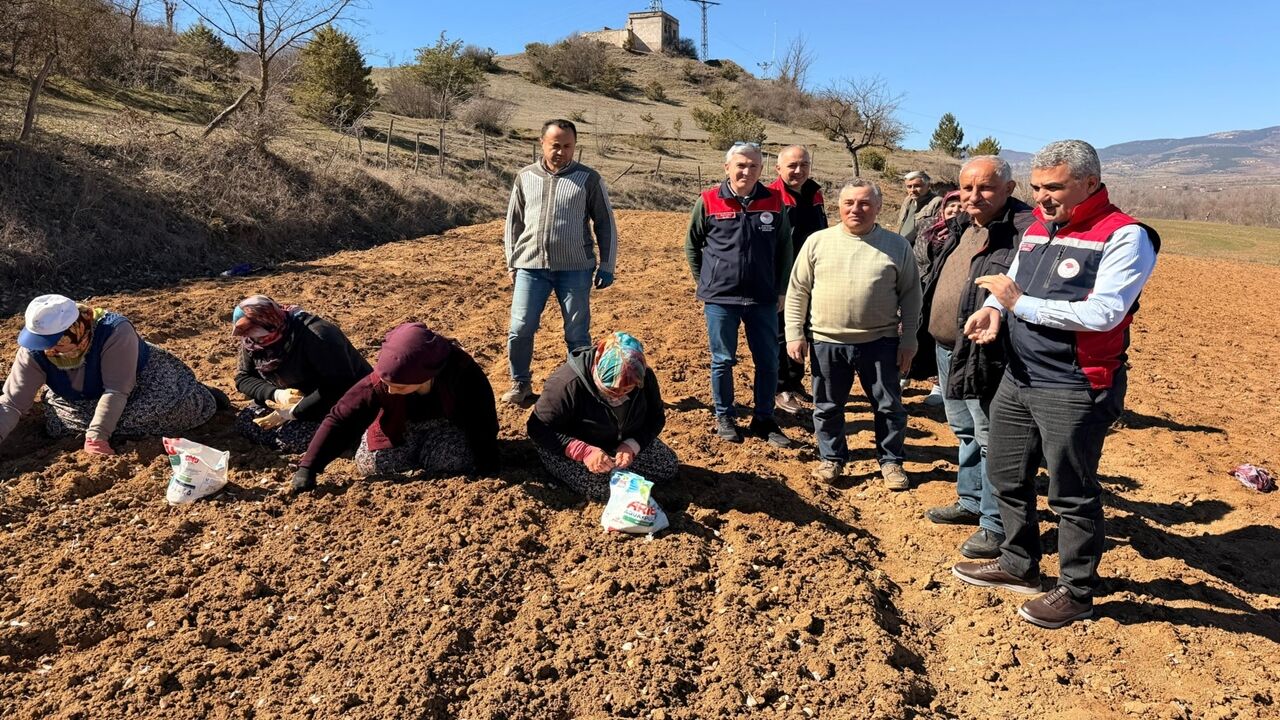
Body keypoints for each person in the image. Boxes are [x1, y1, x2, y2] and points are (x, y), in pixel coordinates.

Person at [951, 140, 1160, 629]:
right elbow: (1014, 286)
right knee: (1006, 475)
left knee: (1071, 493)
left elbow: (1105, 313)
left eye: (1055, 187)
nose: (1042, 198)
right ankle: (1018, 564)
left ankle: (1076, 590)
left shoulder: (1125, 236)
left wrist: (1018, 304)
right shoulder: (1041, 229)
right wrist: (994, 311)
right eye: (1038, 187)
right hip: (1020, 375)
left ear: (1089, 182)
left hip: (1074, 383)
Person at [918, 157, 1034, 560]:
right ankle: (970, 501)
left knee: (992, 440)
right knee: (964, 430)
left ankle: (995, 524)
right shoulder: (964, 224)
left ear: (1009, 188)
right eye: (967, 188)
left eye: (984, 188)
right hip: (947, 348)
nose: (973, 196)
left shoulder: (1025, 233)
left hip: (987, 352)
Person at [785, 180, 921, 490]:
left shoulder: (897, 245)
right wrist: (794, 332)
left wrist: (909, 339)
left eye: (863, 203)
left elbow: (912, 295)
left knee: (888, 406)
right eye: (849, 203)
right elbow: (797, 291)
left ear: (878, 208)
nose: (855, 209)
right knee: (828, 406)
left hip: (880, 342)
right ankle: (832, 458)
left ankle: (891, 461)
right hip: (826, 341)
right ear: (839, 207)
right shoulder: (817, 242)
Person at [290, 323, 500, 493]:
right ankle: (420, 453)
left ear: (423, 376)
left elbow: (483, 419)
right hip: (399, 423)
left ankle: (432, 453)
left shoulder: (462, 372)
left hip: (447, 424)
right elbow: (342, 418)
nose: (390, 391)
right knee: (371, 465)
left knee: (453, 462)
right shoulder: (383, 379)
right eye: (387, 385)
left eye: (399, 386)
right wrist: (308, 467)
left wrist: (487, 461)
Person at [0, 294, 219, 453]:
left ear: (74, 329)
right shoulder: (33, 350)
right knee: (62, 427)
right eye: (42, 343)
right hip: (83, 395)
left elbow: (116, 389)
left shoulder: (114, 331)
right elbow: (11, 402)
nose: (49, 350)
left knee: (165, 411)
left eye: (55, 343)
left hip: (139, 383)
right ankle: (109, 425)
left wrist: (97, 437)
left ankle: (204, 395)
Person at [684, 141, 795, 448]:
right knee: (722, 360)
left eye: (754, 166)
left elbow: (785, 247)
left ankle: (764, 419)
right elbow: (692, 245)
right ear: (728, 168)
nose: (747, 171)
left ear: (762, 169)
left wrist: (782, 288)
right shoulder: (708, 201)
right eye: (741, 165)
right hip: (721, 299)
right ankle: (725, 416)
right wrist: (705, 279)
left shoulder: (774, 200)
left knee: (769, 361)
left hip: (763, 297)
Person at [502, 118, 618, 406]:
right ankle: (520, 383)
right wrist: (511, 262)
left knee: (577, 333)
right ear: (542, 143)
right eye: (555, 145)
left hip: (575, 269)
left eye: (568, 146)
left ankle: (580, 387)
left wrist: (607, 265)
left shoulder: (589, 179)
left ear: (575, 147)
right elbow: (513, 223)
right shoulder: (525, 176)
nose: (561, 152)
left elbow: (605, 224)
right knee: (520, 328)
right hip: (531, 267)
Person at [527, 331, 677, 500]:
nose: (617, 397)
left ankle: (618, 471)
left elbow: (655, 418)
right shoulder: (566, 384)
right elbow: (537, 428)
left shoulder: (642, 377)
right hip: (573, 445)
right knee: (601, 489)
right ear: (596, 367)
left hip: (618, 442)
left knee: (667, 466)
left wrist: (632, 445)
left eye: (626, 390)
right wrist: (583, 451)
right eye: (610, 390)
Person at [231, 295, 372, 454]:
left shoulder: (317, 335)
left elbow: (340, 385)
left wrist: (295, 411)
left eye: (264, 333)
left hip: (336, 401)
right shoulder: (252, 343)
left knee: (295, 438)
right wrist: (276, 395)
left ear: (274, 320)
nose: (262, 340)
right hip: (290, 400)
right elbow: (243, 377)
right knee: (246, 422)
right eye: (255, 336)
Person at [767, 145, 828, 415]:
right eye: (792, 165)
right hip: (783, 277)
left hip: (813, 275)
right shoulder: (770, 196)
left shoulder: (815, 194)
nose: (798, 170)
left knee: (805, 330)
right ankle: (781, 388)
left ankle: (795, 381)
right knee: (781, 334)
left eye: (804, 164)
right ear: (778, 168)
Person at [896, 170, 943, 258]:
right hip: (900, 248)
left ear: (928, 186)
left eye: (917, 186)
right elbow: (900, 223)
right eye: (909, 186)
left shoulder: (936, 202)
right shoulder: (908, 200)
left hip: (918, 254)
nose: (912, 190)